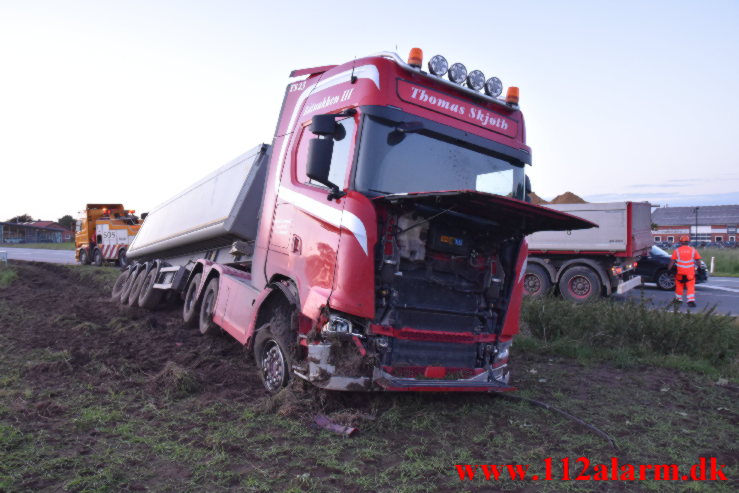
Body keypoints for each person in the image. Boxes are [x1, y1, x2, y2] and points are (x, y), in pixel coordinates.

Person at [668, 235, 701, 308]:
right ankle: (690, 301)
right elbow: (698, 261)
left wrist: (669, 270)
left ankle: (678, 300)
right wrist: (699, 268)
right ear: (688, 242)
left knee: (679, 287)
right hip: (690, 273)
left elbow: (672, 261)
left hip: (680, 273)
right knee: (690, 287)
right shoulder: (693, 250)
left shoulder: (677, 251)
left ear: (681, 242)